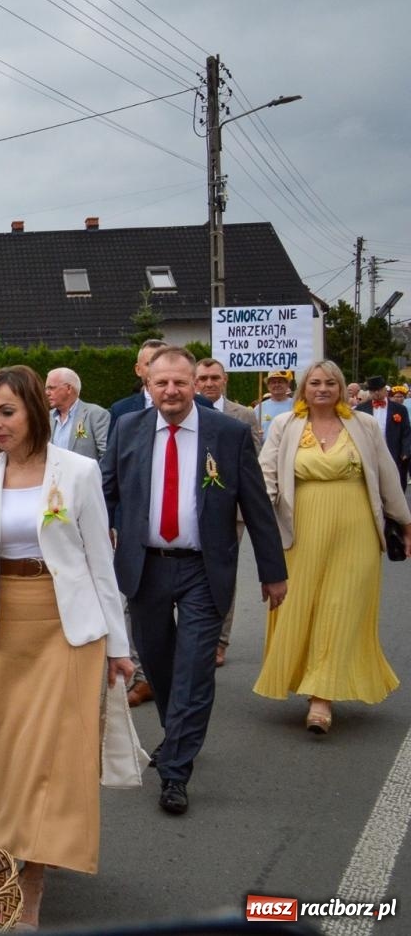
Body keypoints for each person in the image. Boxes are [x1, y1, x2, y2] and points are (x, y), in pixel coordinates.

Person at [0, 365, 133, 928]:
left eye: (6, 411)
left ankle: (34, 874)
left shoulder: (78, 473)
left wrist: (119, 646)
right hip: (2, 628)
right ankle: (6, 853)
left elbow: (100, 563)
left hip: (66, 628)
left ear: (33, 408)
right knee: (4, 755)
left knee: (54, 752)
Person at [101, 347, 287, 817]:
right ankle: (178, 736)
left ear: (195, 385)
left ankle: (176, 772)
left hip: (204, 569)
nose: (171, 391)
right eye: (161, 383)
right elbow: (102, 494)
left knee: (193, 670)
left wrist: (273, 572)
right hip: (145, 567)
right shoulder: (129, 429)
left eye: (180, 383)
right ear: (149, 385)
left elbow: (256, 506)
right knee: (160, 668)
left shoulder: (228, 433)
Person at [255, 361, 411, 733]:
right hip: (301, 531)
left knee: (341, 606)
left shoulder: (365, 425)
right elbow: (267, 476)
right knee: (300, 604)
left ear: (341, 388)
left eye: (330, 383)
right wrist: (258, 528)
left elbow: (387, 476)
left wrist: (405, 524)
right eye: (314, 383)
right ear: (303, 389)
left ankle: (322, 698)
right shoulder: (284, 425)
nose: (322, 389)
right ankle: (308, 680)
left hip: (355, 530)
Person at [194, 357, 263, 668]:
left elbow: (254, 462)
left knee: (223, 574)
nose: (209, 384)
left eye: (214, 378)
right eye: (203, 378)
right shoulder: (186, 411)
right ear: (195, 382)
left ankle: (220, 641)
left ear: (225, 381)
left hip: (229, 509)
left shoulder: (244, 415)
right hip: (191, 508)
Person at [45, 366, 111, 460]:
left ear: (68, 388)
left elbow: (107, 456)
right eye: (46, 388)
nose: (47, 393)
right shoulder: (46, 417)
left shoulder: (96, 414)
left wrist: (93, 475)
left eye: (51, 388)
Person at [356, 375, 410, 489]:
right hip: (370, 453)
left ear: (385, 389)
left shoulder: (400, 409)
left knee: (396, 488)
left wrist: (405, 452)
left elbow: (406, 432)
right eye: (373, 391)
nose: (376, 393)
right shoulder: (360, 409)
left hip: (394, 453)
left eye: (379, 390)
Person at [108, 338, 169, 422]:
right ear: (138, 370)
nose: (156, 369)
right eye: (149, 364)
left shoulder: (192, 405)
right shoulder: (120, 411)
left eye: (162, 363)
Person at [256, 370, 296, 437]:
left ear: (287, 385)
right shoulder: (259, 408)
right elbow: (253, 430)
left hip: (291, 446)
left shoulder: (296, 405)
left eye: (280, 382)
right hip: (266, 446)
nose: (277, 385)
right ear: (268, 386)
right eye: (273, 382)